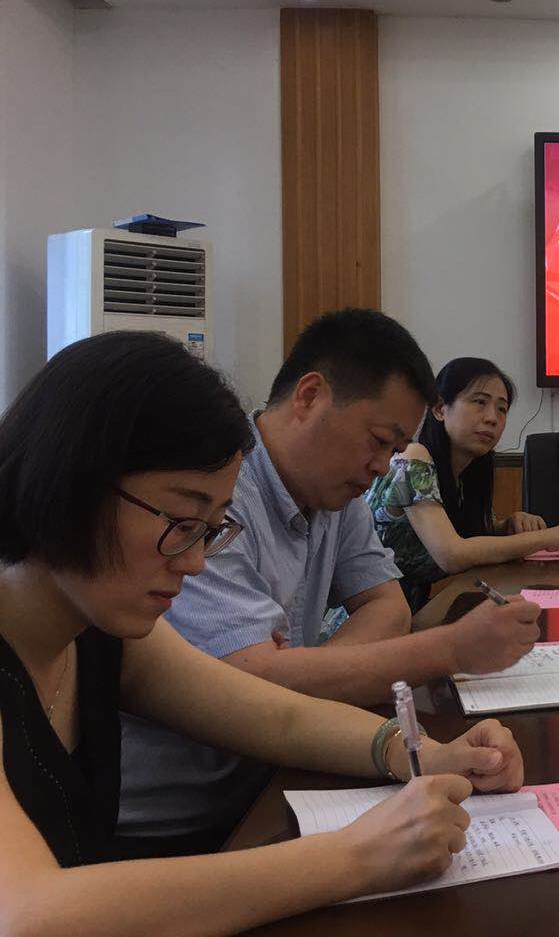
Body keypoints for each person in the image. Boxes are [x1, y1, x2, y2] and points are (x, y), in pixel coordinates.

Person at [0, 331, 524, 931]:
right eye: (182, 522)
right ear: (71, 480)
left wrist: (429, 754)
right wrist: (358, 856)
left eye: (211, 529)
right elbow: (25, 915)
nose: (196, 562)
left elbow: (278, 717)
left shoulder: (102, 630)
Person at [120, 310, 541, 853]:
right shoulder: (217, 488)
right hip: (182, 824)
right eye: (379, 441)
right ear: (310, 396)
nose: (382, 467)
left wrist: (309, 675)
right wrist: (449, 649)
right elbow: (260, 687)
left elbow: (379, 616)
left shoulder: (331, 491)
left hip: (275, 778)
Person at [367, 357, 559, 611]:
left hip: (412, 614)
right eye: (479, 402)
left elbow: (468, 532)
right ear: (440, 409)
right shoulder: (413, 458)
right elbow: (452, 554)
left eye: (502, 409)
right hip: (367, 622)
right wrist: (546, 538)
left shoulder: (466, 473)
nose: (492, 418)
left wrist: (506, 525)